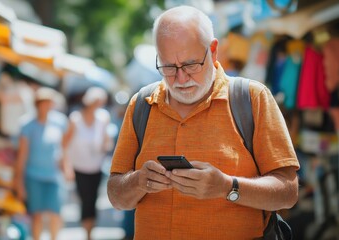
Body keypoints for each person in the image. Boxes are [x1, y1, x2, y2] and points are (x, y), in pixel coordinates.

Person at [107, 5, 300, 239]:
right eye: (168, 66)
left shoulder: (251, 98)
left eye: (190, 64)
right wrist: (138, 181)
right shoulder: (141, 105)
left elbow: (288, 193)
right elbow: (116, 196)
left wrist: (228, 187)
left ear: (213, 50)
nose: (180, 78)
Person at [14, 87, 71, 240]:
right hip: (34, 176)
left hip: (54, 176)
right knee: (37, 214)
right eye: (42, 103)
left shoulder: (60, 122)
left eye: (48, 103)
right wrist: (18, 182)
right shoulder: (27, 125)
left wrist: (67, 167)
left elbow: (64, 147)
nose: (46, 106)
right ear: (36, 104)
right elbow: (22, 155)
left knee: (55, 213)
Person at [66, 87, 113, 240]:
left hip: (96, 166)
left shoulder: (103, 117)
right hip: (79, 166)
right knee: (84, 198)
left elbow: (107, 140)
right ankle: (87, 230)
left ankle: (89, 233)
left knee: (92, 199)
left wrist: (106, 146)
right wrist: (66, 166)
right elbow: (65, 143)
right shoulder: (75, 118)